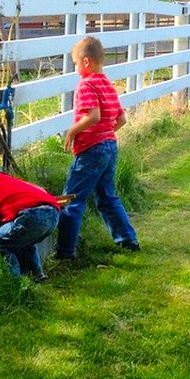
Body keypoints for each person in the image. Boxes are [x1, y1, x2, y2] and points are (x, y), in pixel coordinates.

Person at [55, 35, 140, 259]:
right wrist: (106, 135)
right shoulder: (108, 85)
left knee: (72, 199)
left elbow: (93, 116)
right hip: (110, 147)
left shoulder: (86, 85)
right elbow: (121, 119)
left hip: (90, 150)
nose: (75, 68)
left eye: (75, 63)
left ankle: (65, 251)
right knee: (107, 196)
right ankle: (128, 240)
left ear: (86, 62)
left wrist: (72, 131)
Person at [0, 149, 60, 280]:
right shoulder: (7, 179)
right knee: (22, 240)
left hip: (30, 217)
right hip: (53, 213)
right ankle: (36, 274)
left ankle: (13, 279)